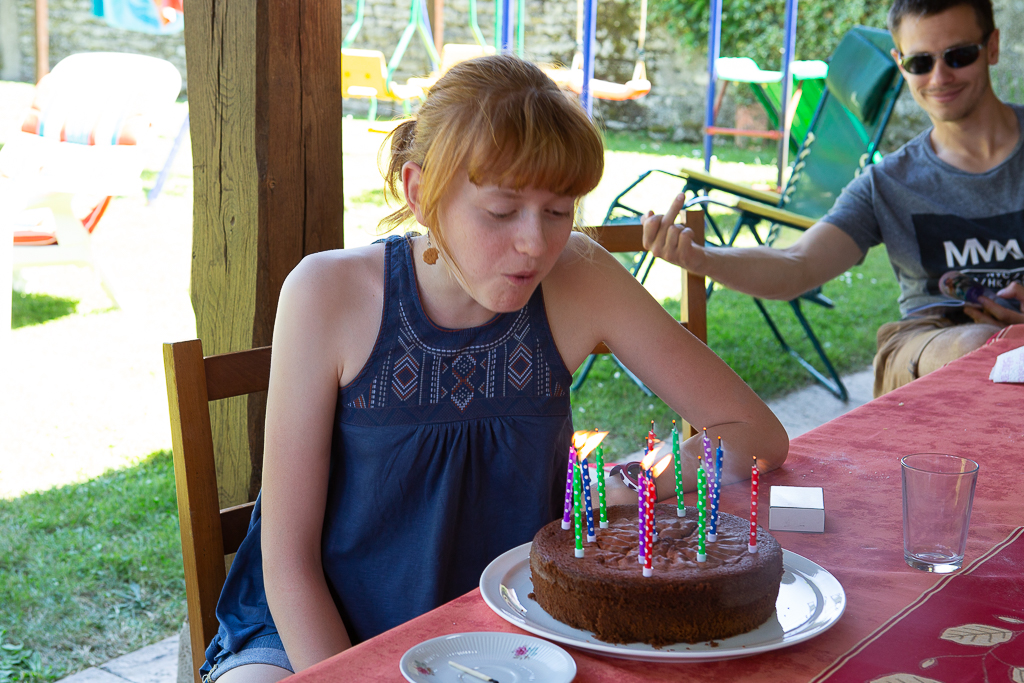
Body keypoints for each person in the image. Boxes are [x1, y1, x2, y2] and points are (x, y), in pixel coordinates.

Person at [201, 55, 789, 681]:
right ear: (419, 192)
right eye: (502, 211)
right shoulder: (327, 293)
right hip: (316, 631)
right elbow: (287, 562)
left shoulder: (579, 278)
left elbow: (755, 436)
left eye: (559, 210)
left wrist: (623, 484)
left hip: (507, 627)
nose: (535, 243)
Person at [642, 0, 1024, 397]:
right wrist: (702, 259)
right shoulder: (888, 183)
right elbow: (798, 265)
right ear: (900, 63)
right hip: (932, 343)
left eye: (959, 56)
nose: (940, 76)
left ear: (992, 47)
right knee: (982, 346)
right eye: (920, 62)